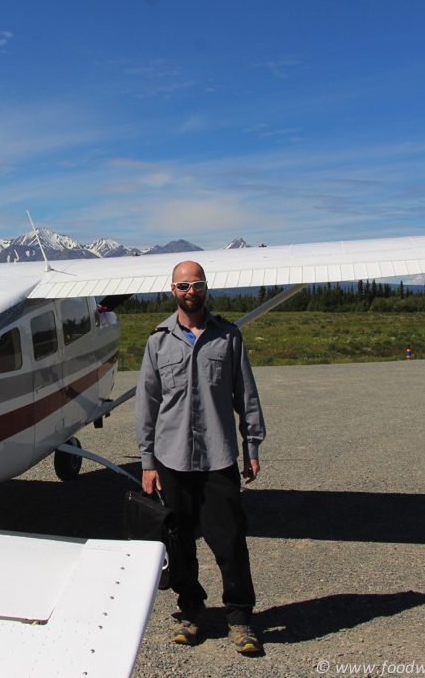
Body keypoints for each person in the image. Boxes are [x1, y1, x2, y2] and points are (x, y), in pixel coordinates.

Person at [134, 260, 266, 654]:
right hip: (171, 460)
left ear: (206, 288)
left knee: (230, 542)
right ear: (171, 290)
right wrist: (147, 462)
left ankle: (240, 618)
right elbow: (147, 404)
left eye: (198, 285)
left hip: (219, 458)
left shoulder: (228, 337)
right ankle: (191, 610)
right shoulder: (157, 341)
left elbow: (247, 395)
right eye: (183, 286)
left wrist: (252, 446)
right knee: (179, 544)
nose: (191, 292)